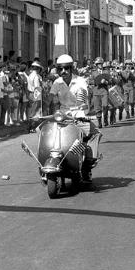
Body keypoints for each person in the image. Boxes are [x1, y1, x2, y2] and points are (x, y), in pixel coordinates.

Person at [49, 54, 102, 183]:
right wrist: (51, 106)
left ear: (71, 68)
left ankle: (86, 164)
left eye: (66, 68)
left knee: (93, 134)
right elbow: (52, 98)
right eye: (60, 69)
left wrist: (80, 106)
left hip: (78, 114)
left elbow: (82, 97)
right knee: (46, 133)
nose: (63, 71)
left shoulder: (80, 81)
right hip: (61, 116)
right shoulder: (57, 82)